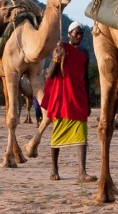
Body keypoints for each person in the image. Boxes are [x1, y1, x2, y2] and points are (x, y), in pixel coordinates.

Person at [38, 20, 92, 181]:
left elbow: (86, 78)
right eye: (76, 33)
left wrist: (88, 100)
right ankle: (54, 169)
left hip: (79, 96)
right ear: (69, 34)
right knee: (57, 133)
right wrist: (56, 58)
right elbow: (50, 74)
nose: (79, 36)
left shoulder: (85, 53)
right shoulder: (61, 49)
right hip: (62, 97)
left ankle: (82, 172)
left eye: (81, 33)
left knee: (82, 134)